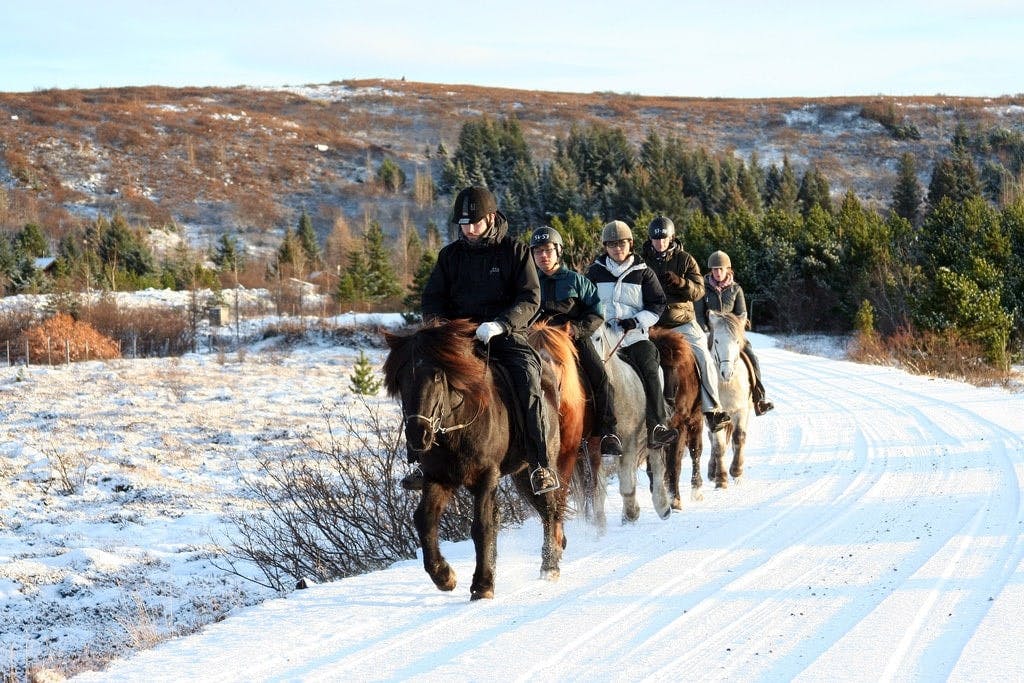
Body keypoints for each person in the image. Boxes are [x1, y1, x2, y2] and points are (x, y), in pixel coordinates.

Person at [407, 186, 559, 495]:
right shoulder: (449, 256)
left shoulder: (515, 252)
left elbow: (530, 299)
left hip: (506, 337)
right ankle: (420, 462)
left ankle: (541, 464)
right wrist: (442, 329)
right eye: (463, 224)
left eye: (474, 223)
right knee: (418, 375)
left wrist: (501, 324)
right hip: (461, 342)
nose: (469, 230)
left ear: (490, 219)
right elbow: (432, 299)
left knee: (529, 379)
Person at [529, 226, 623, 460]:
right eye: (538, 251)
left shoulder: (576, 281)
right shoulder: (529, 283)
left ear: (558, 251)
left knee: (601, 378)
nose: (543, 256)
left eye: (548, 250)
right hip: (536, 341)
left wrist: (578, 330)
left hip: (572, 339)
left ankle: (607, 433)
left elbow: (597, 312)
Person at [586, 220, 679, 449]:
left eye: (623, 243)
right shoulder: (595, 272)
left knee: (650, 366)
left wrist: (636, 320)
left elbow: (658, 304)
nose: (618, 248)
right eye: (612, 244)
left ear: (631, 243)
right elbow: (586, 304)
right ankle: (596, 431)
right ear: (605, 247)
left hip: (634, 336)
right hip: (604, 337)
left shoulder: (644, 273)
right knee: (587, 371)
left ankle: (657, 426)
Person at [642, 216, 732, 432]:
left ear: (671, 237)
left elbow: (700, 290)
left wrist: (681, 283)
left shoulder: (685, 259)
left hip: (681, 321)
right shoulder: (641, 260)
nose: (660, 242)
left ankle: (712, 411)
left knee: (705, 357)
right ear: (650, 239)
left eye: (664, 238)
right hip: (650, 321)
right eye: (656, 238)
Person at [695, 250, 775, 416]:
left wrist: (738, 326)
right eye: (715, 269)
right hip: (712, 334)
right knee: (694, 360)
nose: (717, 273)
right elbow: (699, 314)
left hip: (732, 335)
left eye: (721, 269)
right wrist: (706, 331)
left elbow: (741, 313)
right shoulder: (702, 289)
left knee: (751, 356)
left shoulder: (736, 289)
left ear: (728, 270)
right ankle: (693, 401)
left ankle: (759, 397)